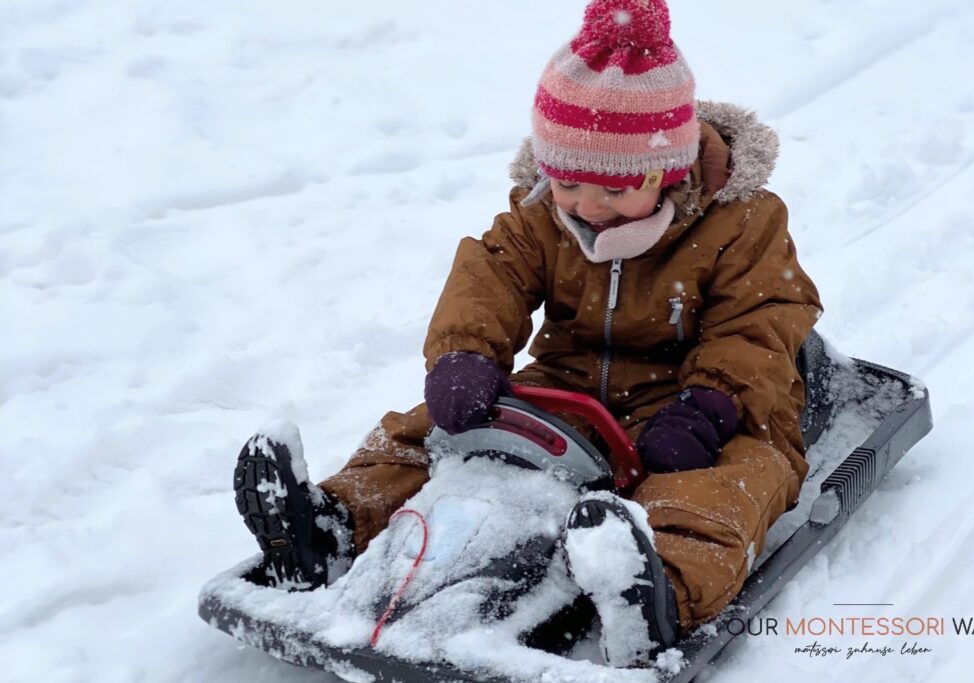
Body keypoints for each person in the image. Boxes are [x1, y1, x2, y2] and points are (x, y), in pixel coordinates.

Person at [232, 0, 822, 668]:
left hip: (698, 409)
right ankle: (331, 524)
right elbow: (494, 273)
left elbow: (762, 319)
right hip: (568, 391)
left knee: (728, 483)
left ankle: (655, 591)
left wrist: (712, 403)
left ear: (673, 169)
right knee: (429, 430)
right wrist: (464, 353)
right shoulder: (546, 211)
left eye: (616, 191)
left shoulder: (741, 223)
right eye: (568, 182)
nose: (589, 208)